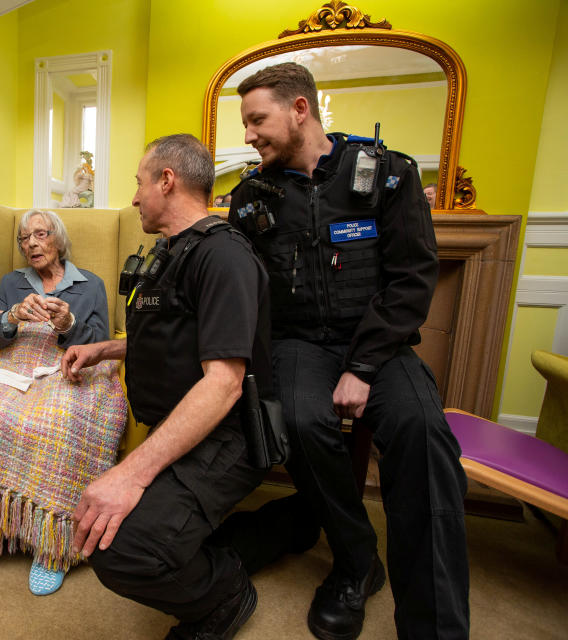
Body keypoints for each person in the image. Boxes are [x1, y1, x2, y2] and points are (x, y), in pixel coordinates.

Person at [227, 62, 469, 639]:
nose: (248, 134)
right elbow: (244, 290)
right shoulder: (252, 196)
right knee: (304, 424)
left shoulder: (388, 174)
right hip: (298, 344)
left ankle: (434, 627)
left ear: (300, 110)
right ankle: (357, 561)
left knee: (423, 434)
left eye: (257, 119)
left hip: (377, 345)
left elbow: (413, 278)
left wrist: (362, 367)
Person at [60, 133, 272, 639]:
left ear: (167, 180)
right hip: (176, 427)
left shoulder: (223, 257)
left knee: (120, 551)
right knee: (116, 528)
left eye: (138, 182)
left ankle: (228, 594)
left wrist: (130, 475)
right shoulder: (170, 252)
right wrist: (105, 349)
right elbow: (178, 338)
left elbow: (223, 383)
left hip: (226, 435)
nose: (134, 197)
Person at [0, 209, 121, 596]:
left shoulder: (90, 284)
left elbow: (102, 343)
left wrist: (67, 325)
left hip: (66, 366)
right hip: (15, 362)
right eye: (25, 238)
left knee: (58, 420)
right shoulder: (12, 282)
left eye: (40, 234)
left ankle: (51, 546)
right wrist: (10, 315)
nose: (32, 244)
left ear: (58, 240)